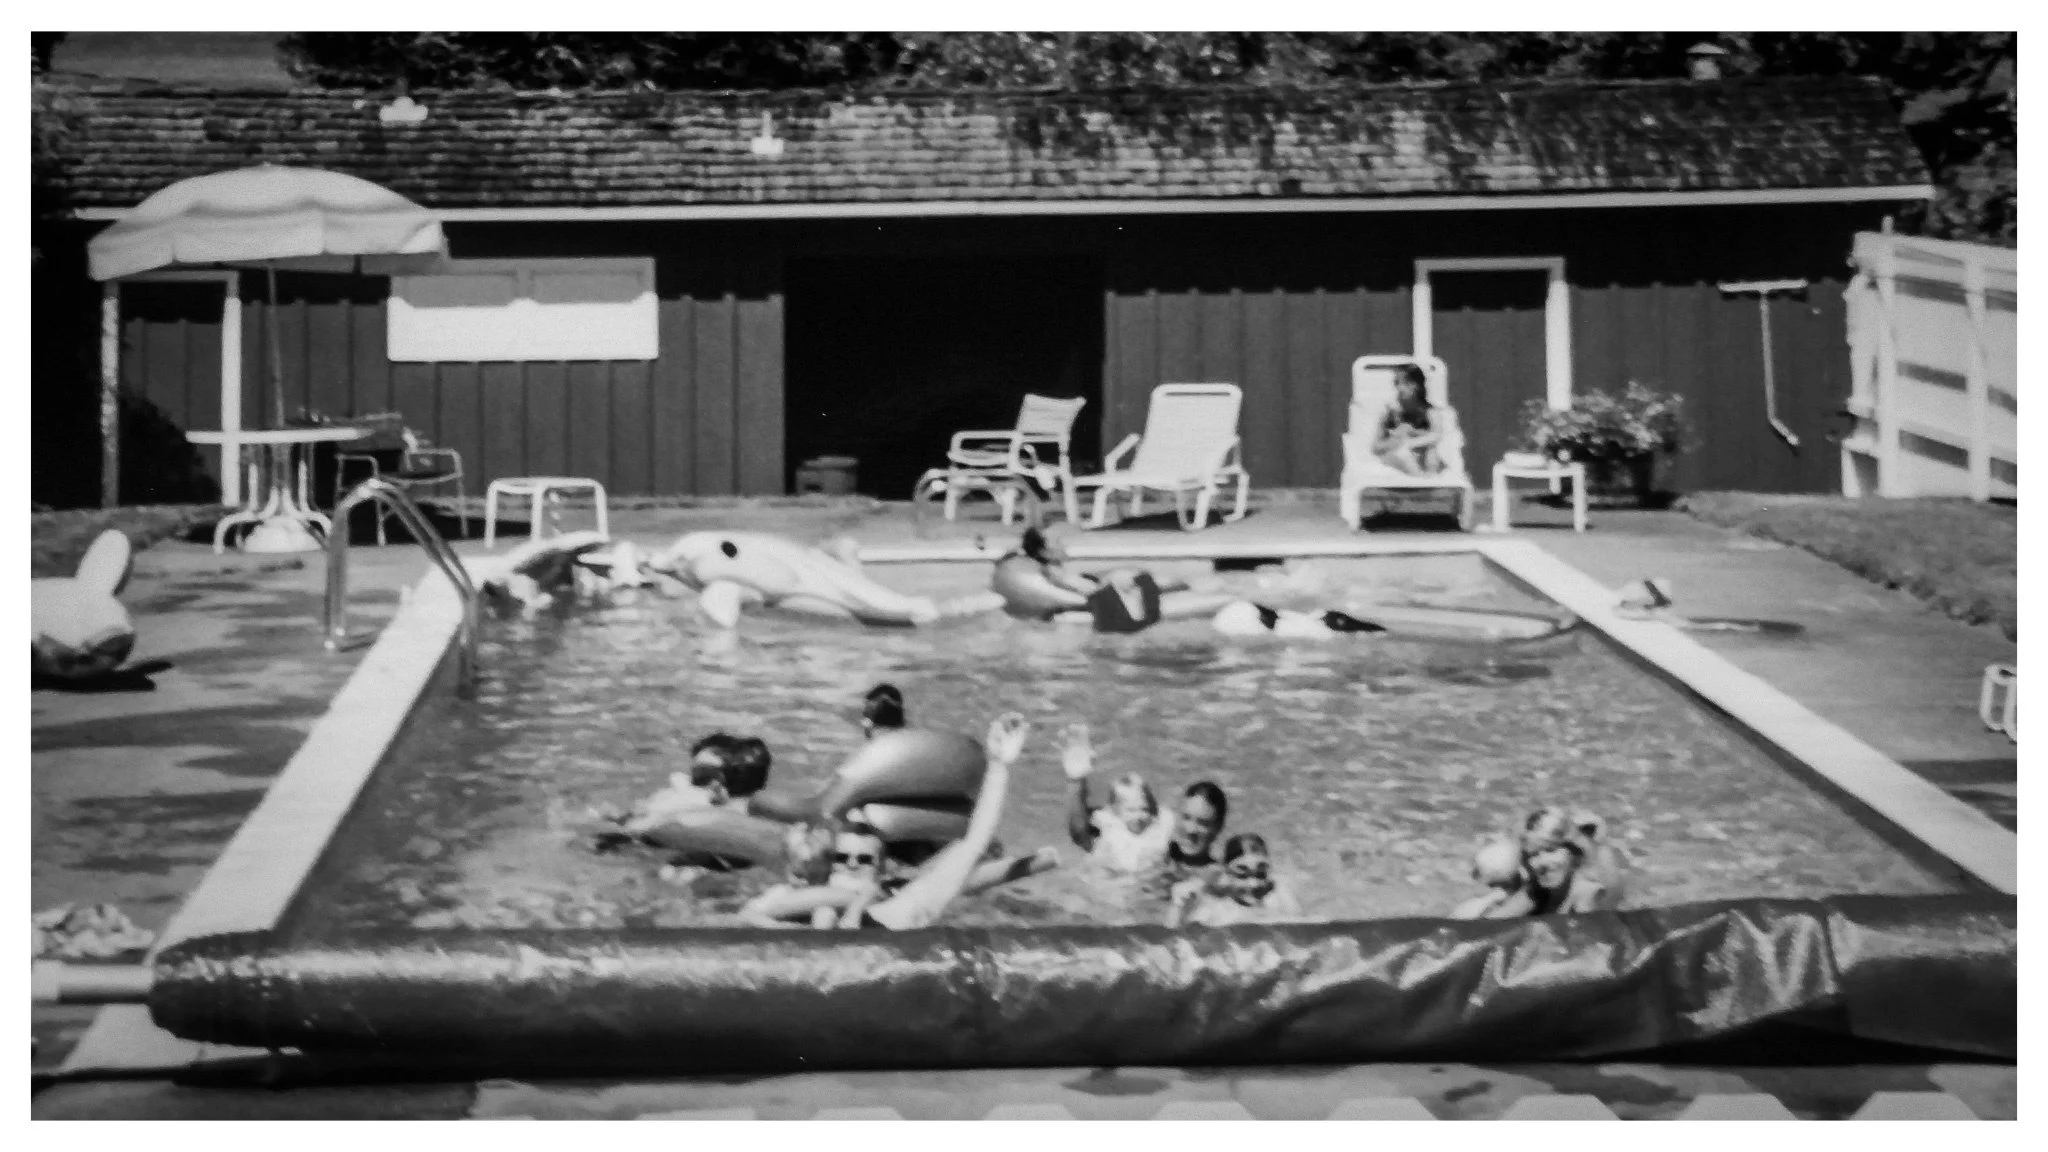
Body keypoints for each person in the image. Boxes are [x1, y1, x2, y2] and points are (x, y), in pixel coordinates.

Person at [742, 713, 1040, 930]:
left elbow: (974, 843)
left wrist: (999, 766)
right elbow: (748, 917)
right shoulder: (788, 906)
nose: (852, 866)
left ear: (881, 869)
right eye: (842, 859)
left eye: (864, 860)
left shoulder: (903, 910)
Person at [1449, 807, 1619, 919]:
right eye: (1533, 856)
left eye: (1551, 851)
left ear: (1572, 854)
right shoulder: (1537, 890)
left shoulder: (1588, 894)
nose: (1542, 862)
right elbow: (1491, 923)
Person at [1060, 722, 1174, 873]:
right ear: (1115, 812)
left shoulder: (1158, 830)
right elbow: (1078, 832)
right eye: (1131, 810)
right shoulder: (1109, 830)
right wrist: (1076, 780)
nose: (1139, 816)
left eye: (1145, 809)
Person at [1166, 833, 1303, 927]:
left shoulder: (1279, 899)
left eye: (1261, 874)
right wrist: (1177, 905)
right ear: (1227, 874)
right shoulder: (1214, 910)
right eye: (1242, 875)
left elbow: (1300, 931)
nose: (1253, 884)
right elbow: (1174, 940)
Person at [1372, 363, 1445, 476]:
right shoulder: (1389, 413)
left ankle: (1427, 480)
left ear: (1419, 385)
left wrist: (1412, 433)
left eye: (1407, 383)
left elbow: (1437, 436)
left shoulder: (1430, 412)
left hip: (1424, 460)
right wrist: (1396, 441)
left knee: (1431, 451)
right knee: (1399, 454)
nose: (1400, 388)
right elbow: (1376, 447)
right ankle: (1419, 479)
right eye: (1397, 383)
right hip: (1398, 460)